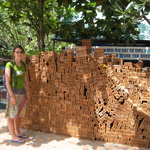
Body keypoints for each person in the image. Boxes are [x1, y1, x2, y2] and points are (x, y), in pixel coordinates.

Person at [5, 45, 28, 143]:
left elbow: (25, 79)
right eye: (17, 52)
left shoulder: (23, 65)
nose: (19, 54)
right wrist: (12, 96)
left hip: (22, 93)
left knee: (18, 114)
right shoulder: (9, 65)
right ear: (14, 53)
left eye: (21, 52)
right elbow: (7, 81)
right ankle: (13, 136)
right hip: (13, 93)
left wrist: (28, 91)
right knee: (11, 115)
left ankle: (18, 132)